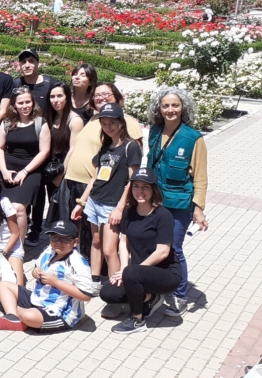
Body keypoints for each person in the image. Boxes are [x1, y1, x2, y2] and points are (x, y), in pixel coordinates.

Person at [71, 103, 142, 319]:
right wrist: (82, 202)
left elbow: (132, 181)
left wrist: (120, 207)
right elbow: (95, 177)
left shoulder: (130, 147)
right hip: (95, 201)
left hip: (112, 204)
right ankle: (95, 280)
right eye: (104, 123)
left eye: (112, 122)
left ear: (121, 123)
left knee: (111, 250)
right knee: (95, 241)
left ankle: (116, 296)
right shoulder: (105, 147)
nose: (108, 127)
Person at [147, 87, 209, 317]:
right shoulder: (155, 131)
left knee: (173, 249)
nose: (170, 110)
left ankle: (180, 296)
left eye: (175, 105)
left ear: (183, 108)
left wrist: (198, 208)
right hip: (154, 201)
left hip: (179, 205)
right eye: (166, 105)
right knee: (154, 247)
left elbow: (200, 176)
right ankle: (156, 290)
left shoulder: (193, 138)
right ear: (159, 108)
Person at [64, 83, 144, 260]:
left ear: (117, 97)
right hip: (86, 189)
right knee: (92, 240)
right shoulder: (94, 121)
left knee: (106, 246)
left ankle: (110, 274)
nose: (101, 97)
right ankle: (92, 272)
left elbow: (133, 170)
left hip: (106, 194)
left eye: (106, 94)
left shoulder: (128, 126)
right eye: (97, 95)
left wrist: (123, 205)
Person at [100, 168, 182, 334]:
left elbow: (163, 252)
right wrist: (124, 269)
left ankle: (137, 321)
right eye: (136, 186)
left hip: (166, 274)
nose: (140, 191)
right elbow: (123, 241)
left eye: (145, 187)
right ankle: (151, 297)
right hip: (137, 273)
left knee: (131, 273)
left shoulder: (163, 215)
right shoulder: (129, 212)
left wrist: (132, 271)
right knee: (108, 293)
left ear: (154, 190)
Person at [0, 219, 94, 331]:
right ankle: (13, 317)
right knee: (3, 285)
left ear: (75, 242)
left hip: (58, 310)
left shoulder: (78, 263)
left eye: (64, 239)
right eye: (54, 238)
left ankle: (14, 310)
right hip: (37, 298)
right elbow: (37, 266)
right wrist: (35, 272)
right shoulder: (49, 251)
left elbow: (86, 295)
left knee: (28, 316)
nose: (58, 242)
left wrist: (56, 283)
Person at [0, 86, 51, 245]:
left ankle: (17, 248)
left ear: (33, 103)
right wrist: (4, 171)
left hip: (31, 170)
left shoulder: (41, 123)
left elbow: (44, 151)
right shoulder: (7, 123)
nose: (25, 106)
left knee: (18, 208)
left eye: (28, 102)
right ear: (14, 105)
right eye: (21, 103)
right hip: (8, 168)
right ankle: (1, 241)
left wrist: (25, 171)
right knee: (2, 206)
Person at [42, 83, 84, 235]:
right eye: (52, 96)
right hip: (49, 169)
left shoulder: (75, 120)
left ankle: (69, 239)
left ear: (68, 97)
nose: (56, 100)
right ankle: (56, 237)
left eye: (60, 96)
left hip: (65, 170)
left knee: (65, 207)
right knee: (53, 204)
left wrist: (61, 174)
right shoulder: (50, 117)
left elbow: (73, 149)